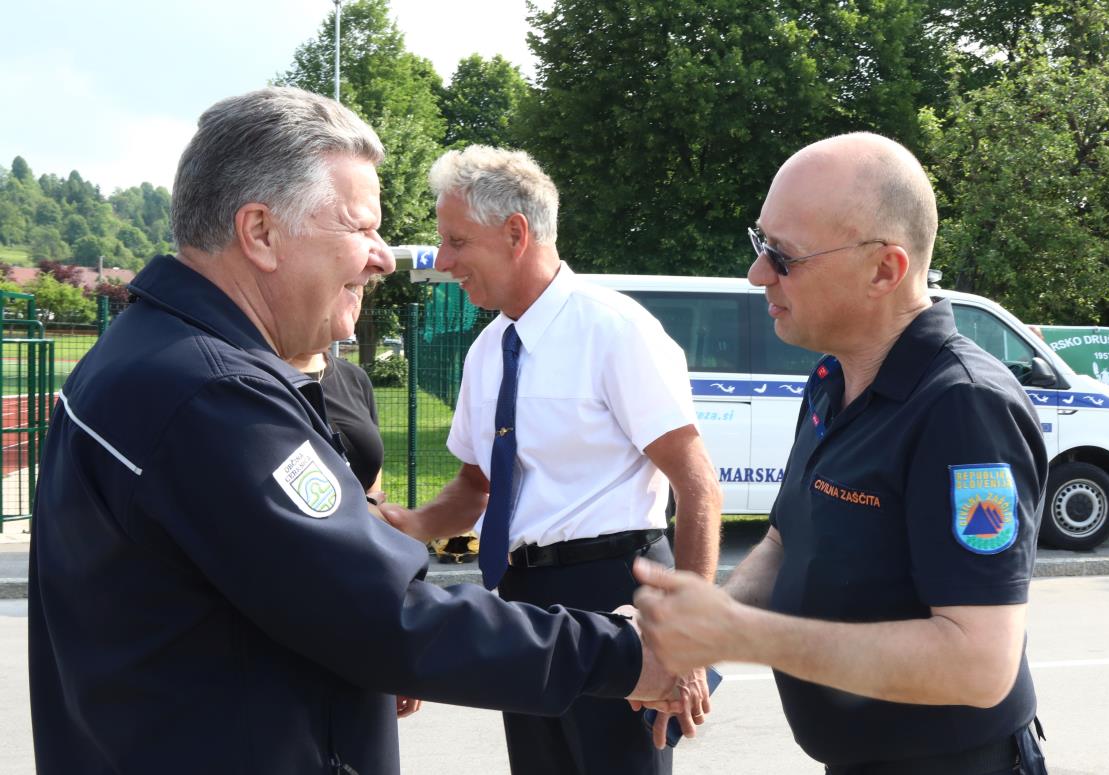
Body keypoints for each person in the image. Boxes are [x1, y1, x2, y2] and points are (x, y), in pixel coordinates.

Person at [26, 87, 692, 775]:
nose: (383, 257)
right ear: (260, 233)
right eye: (361, 228)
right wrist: (627, 654)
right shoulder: (213, 395)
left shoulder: (151, 355)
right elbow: (386, 615)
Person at [632, 132, 1051, 775]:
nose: (757, 274)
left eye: (784, 256)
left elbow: (979, 665)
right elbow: (784, 542)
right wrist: (698, 633)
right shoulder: (833, 378)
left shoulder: (963, 407)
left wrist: (742, 634)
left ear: (885, 270)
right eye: (760, 244)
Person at [381, 145, 723, 773]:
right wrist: (412, 524)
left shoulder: (615, 330)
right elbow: (476, 485)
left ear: (516, 233)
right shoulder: (487, 350)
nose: (444, 261)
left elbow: (697, 484)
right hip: (523, 605)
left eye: (457, 241)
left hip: (616, 595)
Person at [286, 345, 420, 719]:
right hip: (296, 592)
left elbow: (372, 486)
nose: (354, 316)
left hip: (359, 583)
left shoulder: (353, 378)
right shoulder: (256, 380)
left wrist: (399, 649)